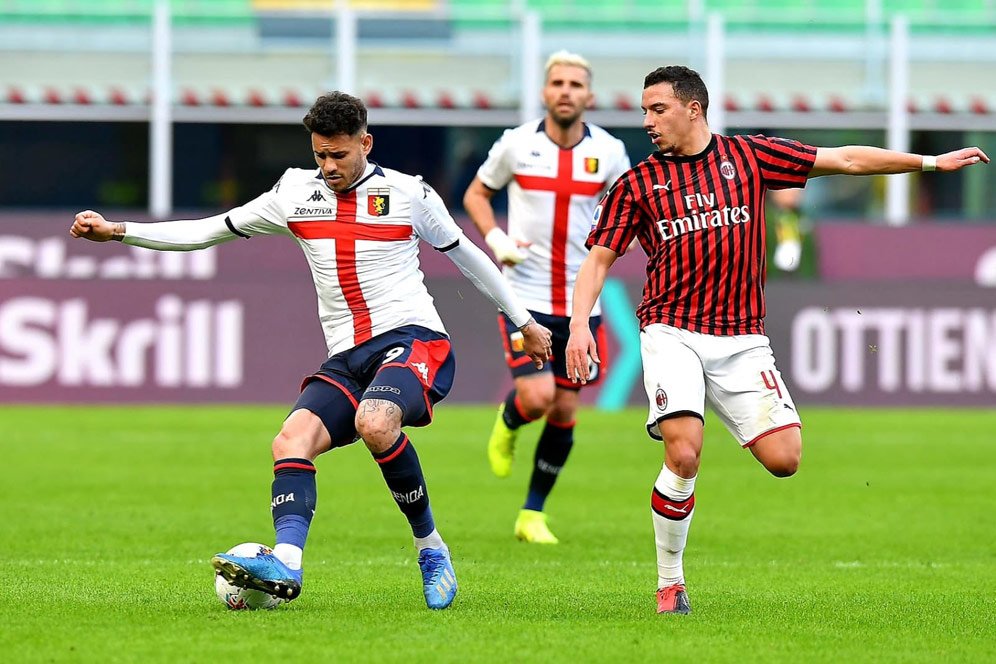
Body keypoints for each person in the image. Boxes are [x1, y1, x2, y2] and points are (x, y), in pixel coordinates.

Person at [69, 91, 553, 610]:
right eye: (320, 154)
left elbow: (470, 259)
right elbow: (207, 231)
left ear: (365, 143)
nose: (328, 166)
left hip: (413, 340)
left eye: (339, 155)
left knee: (375, 422)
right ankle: (287, 563)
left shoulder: (409, 194)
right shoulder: (294, 192)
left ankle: (431, 549)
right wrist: (120, 232)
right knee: (290, 440)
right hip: (347, 357)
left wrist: (524, 322)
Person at [565, 65, 989, 614]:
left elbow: (846, 160)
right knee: (685, 452)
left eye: (657, 109)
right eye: (644, 110)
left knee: (785, 459)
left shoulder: (748, 157)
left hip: (741, 339)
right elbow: (598, 258)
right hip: (671, 332)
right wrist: (580, 325)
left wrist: (932, 161)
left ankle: (712, 418)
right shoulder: (639, 184)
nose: (646, 121)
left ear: (694, 108)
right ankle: (670, 583)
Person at [463, 50, 630, 544]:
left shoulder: (611, 152)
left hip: (582, 303)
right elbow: (476, 195)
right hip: (525, 296)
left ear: (589, 96)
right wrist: (497, 241)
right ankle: (510, 419)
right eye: (557, 82)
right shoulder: (516, 145)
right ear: (544, 92)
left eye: (575, 84)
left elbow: (626, 210)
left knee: (564, 410)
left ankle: (531, 514)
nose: (565, 91)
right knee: (537, 397)